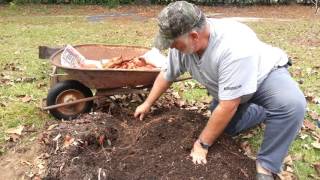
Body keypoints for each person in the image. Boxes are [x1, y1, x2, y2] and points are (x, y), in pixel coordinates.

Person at [134, 1, 306, 179]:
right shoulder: (182, 46)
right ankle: (261, 111)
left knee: (291, 105)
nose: (171, 47)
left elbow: (228, 106)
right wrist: (147, 103)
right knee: (227, 129)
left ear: (194, 36)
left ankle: (266, 165)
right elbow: (167, 74)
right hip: (230, 93)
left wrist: (202, 144)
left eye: (173, 43)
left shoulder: (234, 46)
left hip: (263, 77)